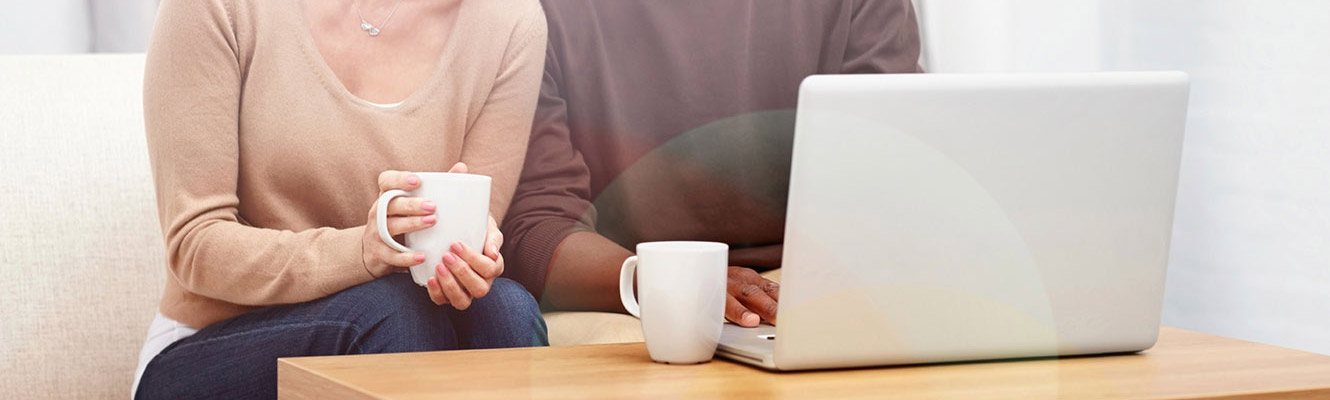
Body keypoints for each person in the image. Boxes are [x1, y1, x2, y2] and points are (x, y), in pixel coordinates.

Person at [133, 0, 548, 398]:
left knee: (506, 309)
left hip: (407, 325)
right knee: (394, 315)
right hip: (213, 348)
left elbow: (474, 224)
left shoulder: (510, 20)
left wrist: (471, 254)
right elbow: (195, 244)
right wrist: (360, 252)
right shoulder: (219, 6)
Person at [500, 0, 923, 326]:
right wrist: (667, 279)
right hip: (630, 284)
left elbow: (901, 168)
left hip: (817, 277)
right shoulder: (534, 13)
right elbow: (537, 229)